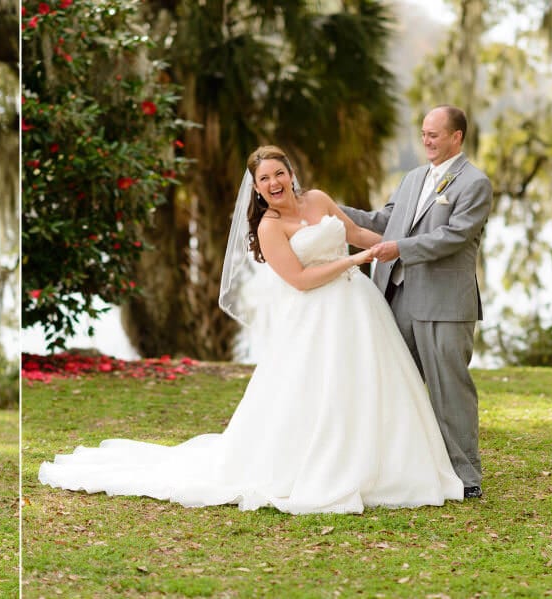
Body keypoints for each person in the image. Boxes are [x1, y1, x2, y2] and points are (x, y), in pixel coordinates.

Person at [37, 145, 465, 514]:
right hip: (315, 317)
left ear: (292, 175)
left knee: (372, 386)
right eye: (265, 178)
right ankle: (322, 467)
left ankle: (388, 467)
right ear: (257, 188)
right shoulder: (269, 227)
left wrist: (407, 251)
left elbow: (355, 232)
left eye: (280, 173)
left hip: (359, 307)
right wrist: (354, 261)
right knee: (319, 392)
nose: (274, 182)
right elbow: (300, 279)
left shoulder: (318, 199)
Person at [339, 105, 492, 499]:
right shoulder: (412, 178)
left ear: (456, 137)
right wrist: (329, 209)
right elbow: (382, 220)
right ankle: (392, 469)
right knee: (390, 383)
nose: (426, 141)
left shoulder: (475, 183)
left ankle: (467, 477)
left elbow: (454, 237)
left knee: (449, 389)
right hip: (397, 297)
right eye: (423, 133)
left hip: (444, 303)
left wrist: (399, 248)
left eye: (434, 135)